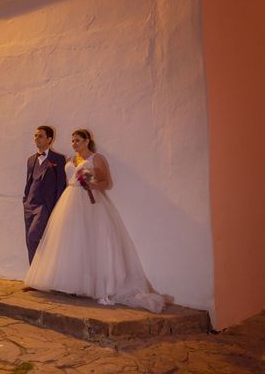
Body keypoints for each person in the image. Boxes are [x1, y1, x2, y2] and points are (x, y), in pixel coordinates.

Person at [24, 128, 165, 313]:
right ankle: (67, 283)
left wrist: (91, 184)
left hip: (89, 202)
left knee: (89, 241)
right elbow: (68, 180)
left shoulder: (96, 159)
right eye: (72, 141)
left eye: (77, 141)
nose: (74, 144)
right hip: (68, 201)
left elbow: (106, 183)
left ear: (87, 141)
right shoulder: (71, 160)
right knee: (68, 242)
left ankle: (88, 284)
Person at [22, 126, 67, 264]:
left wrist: (57, 207)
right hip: (30, 204)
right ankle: (33, 276)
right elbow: (29, 181)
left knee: (33, 235)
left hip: (44, 205)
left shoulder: (58, 159)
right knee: (29, 241)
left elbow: (61, 185)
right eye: (35, 136)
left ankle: (42, 272)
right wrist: (25, 200)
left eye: (40, 136)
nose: (36, 139)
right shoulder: (31, 159)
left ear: (49, 139)